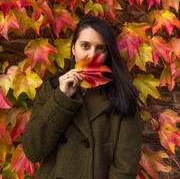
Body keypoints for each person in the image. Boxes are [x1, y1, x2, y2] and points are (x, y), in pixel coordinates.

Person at [22, 16, 142, 179]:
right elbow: (33, 150)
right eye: (85, 46)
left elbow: (124, 169)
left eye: (100, 49)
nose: (92, 55)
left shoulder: (122, 98)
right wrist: (61, 99)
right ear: (73, 49)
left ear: (108, 54)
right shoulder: (51, 89)